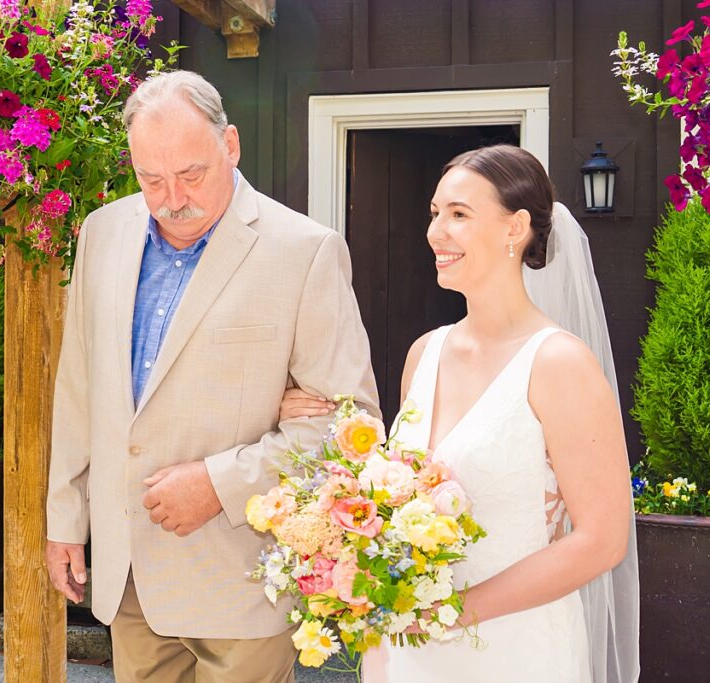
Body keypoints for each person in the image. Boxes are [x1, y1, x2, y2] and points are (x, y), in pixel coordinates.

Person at [44, 70, 378, 682]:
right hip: (130, 580)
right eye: (151, 179)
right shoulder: (101, 234)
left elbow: (349, 427)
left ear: (230, 145)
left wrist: (220, 483)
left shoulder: (306, 250)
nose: (173, 197)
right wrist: (65, 519)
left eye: (192, 174)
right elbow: (80, 390)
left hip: (241, 581)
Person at [281, 145, 640, 682]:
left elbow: (602, 539)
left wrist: (448, 613)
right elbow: (397, 497)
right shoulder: (425, 353)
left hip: (514, 650)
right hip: (410, 651)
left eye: (459, 214)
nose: (436, 232)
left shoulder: (559, 363)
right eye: (434, 214)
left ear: (514, 229)